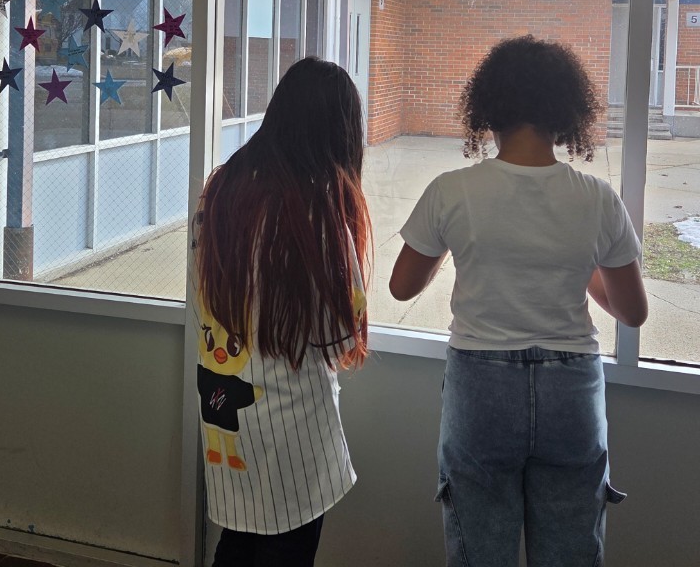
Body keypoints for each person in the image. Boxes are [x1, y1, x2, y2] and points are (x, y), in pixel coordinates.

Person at [390, 35, 648, 567]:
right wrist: (575, 269)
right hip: (571, 388)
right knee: (572, 552)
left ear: (489, 107)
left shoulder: (451, 190)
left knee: (481, 552)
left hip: (480, 386)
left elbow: (402, 286)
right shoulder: (598, 197)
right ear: (567, 112)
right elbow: (633, 311)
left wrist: (460, 250)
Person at [193, 56, 371, 567]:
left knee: (239, 538)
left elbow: (202, 289)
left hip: (224, 409)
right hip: (289, 427)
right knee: (284, 549)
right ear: (337, 134)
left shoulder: (221, 190)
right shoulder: (316, 212)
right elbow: (341, 339)